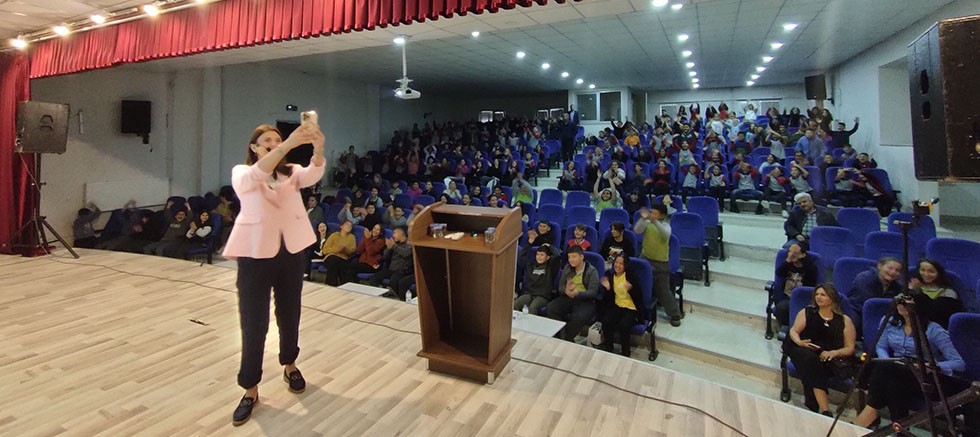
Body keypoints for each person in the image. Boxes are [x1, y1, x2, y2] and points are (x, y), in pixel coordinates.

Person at [222, 122, 325, 426]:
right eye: (267, 140)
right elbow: (257, 175)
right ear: (254, 147)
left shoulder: (290, 172)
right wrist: (288, 143)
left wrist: (318, 147)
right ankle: (250, 387)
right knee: (254, 321)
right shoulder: (243, 172)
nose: (274, 142)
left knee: (290, 312)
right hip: (255, 253)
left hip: (290, 251)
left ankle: (289, 363)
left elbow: (313, 174)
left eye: (277, 139)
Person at [853, 293, 965, 429]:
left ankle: (870, 413)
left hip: (924, 374)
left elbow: (959, 363)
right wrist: (887, 361)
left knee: (886, 370)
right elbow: (881, 346)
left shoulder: (933, 330)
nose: (901, 305)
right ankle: (901, 431)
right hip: (897, 367)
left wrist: (932, 366)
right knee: (893, 385)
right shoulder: (890, 322)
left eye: (906, 302)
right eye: (899, 302)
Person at [784, 284, 857, 416]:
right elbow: (793, 331)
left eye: (823, 295)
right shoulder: (807, 312)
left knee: (813, 364)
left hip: (826, 355)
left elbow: (850, 348)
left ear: (832, 298)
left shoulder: (844, 320)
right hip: (800, 347)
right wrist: (800, 342)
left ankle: (814, 405)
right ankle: (824, 409)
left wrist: (834, 352)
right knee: (809, 358)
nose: (818, 297)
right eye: (817, 294)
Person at [634, 203, 682, 326]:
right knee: (638, 286)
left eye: (655, 213)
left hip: (661, 263)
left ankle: (675, 314)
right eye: (651, 212)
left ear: (662, 215)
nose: (652, 215)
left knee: (663, 291)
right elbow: (637, 230)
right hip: (645, 258)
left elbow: (665, 235)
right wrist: (643, 218)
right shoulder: (647, 223)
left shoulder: (666, 225)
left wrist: (654, 221)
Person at [547, 245, 601, 341]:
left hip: (586, 300)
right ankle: (559, 335)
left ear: (581, 257)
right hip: (569, 297)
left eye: (574, 257)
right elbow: (561, 287)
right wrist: (566, 291)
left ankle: (567, 339)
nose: (571, 260)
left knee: (579, 317)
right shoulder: (567, 268)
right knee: (551, 308)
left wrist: (577, 293)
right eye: (569, 257)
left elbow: (593, 292)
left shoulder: (592, 271)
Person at [599, 254, 644, 357]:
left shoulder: (630, 276)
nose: (618, 265)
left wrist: (631, 289)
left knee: (624, 325)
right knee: (606, 321)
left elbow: (639, 296)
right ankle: (608, 349)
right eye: (616, 263)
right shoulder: (610, 276)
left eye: (621, 263)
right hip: (617, 306)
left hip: (631, 308)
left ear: (625, 265)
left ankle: (625, 353)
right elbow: (608, 299)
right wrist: (608, 289)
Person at [847, 257, 904, 333]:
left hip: (882, 315)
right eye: (890, 268)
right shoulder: (864, 278)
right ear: (880, 266)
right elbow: (870, 303)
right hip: (858, 311)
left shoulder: (898, 286)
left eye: (897, 270)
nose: (893, 272)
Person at [774, 241, 821, 328]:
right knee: (781, 307)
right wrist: (788, 261)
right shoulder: (787, 265)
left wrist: (802, 260)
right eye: (790, 252)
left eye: (795, 252)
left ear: (803, 254)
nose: (792, 255)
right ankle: (786, 329)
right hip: (788, 296)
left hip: (803, 298)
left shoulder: (809, 267)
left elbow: (811, 282)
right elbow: (779, 273)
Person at [909, 259, 963, 329]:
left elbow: (935, 313)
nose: (926, 274)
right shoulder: (911, 287)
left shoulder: (948, 292)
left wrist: (918, 292)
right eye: (923, 270)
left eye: (931, 271)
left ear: (938, 273)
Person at [368, 226, 415, 300]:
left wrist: (393, 246)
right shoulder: (395, 244)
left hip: (403, 271)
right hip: (391, 269)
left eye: (394, 233)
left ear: (401, 233)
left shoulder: (409, 244)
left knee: (394, 281)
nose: (393, 235)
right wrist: (388, 248)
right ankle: (375, 298)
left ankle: (402, 299)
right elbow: (385, 256)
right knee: (374, 278)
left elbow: (406, 254)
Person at [514, 244, 560, 314]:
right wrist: (529, 244)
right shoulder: (530, 265)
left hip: (542, 296)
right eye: (537, 254)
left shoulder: (551, 267)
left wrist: (550, 246)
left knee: (532, 308)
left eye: (542, 255)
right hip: (529, 294)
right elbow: (521, 256)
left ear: (547, 257)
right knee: (516, 304)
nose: (539, 257)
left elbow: (557, 256)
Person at [321, 220, 357, 286]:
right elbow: (325, 250)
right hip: (331, 257)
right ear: (341, 226)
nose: (349, 227)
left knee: (343, 265)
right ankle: (332, 285)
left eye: (351, 226)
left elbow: (352, 251)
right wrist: (336, 250)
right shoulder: (334, 235)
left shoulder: (352, 237)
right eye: (347, 225)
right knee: (333, 260)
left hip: (343, 259)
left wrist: (345, 249)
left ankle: (342, 286)